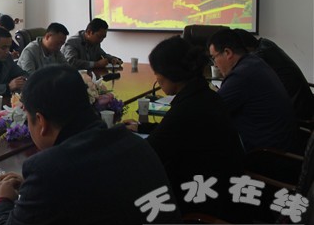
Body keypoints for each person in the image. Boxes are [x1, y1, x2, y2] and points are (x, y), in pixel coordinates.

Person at [0, 65, 181, 225]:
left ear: (41, 121)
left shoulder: (48, 171)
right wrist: (34, 188)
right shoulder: (134, 143)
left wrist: (0, 200)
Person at [125, 36, 244, 215]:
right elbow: (175, 131)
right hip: (223, 190)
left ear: (170, 73)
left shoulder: (187, 108)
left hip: (202, 203)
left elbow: (148, 154)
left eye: (156, 71)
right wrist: (141, 127)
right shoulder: (205, 95)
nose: (156, 77)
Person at [208, 29, 297, 152]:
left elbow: (210, 111)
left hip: (266, 154)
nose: (215, 65)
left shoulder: (241, 76)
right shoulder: (254, 62)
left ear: (228, 52)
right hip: (284, 144)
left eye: (214, 58)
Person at [234, 29, 314, 121]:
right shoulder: (265, 44)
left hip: (296, 109)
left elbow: (243, 85)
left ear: (244, 48)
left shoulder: (260, 56)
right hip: (303, 102)